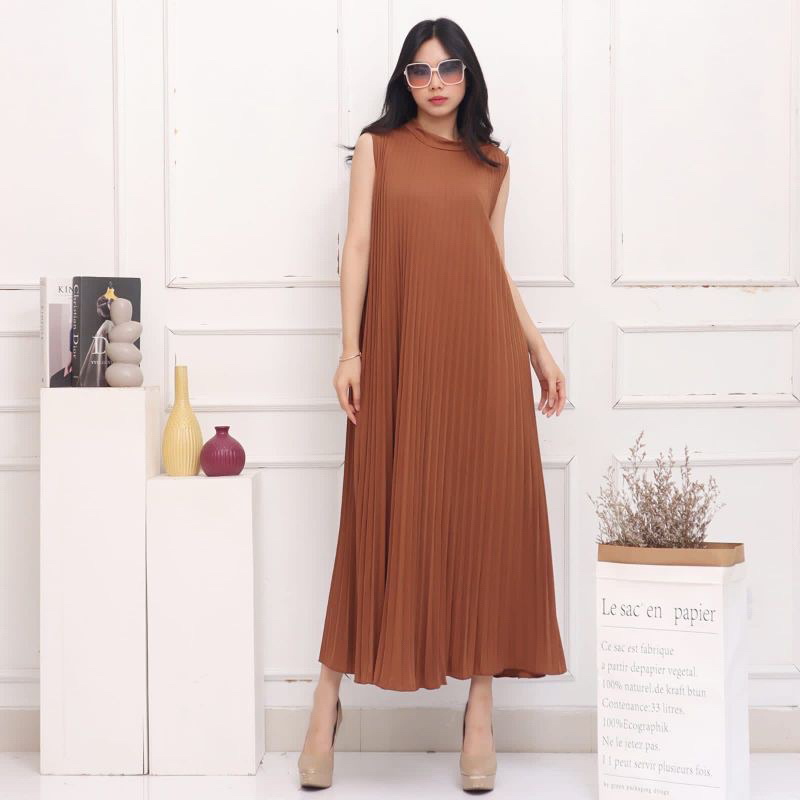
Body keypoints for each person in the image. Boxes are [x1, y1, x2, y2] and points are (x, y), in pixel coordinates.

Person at [298, 17, 568, 792]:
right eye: (420, 71)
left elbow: (494, 264)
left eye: (448, 68)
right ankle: (326, 700)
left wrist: (537, 348)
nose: (435, 83)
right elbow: (356, 248)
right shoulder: (378, 148)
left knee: (484, 523)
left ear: (467, 75)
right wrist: (349, 351)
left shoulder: (493, 164)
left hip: (483, 359)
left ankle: (479, 713)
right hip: (399, 355)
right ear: (405, 81)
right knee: (376, 516)